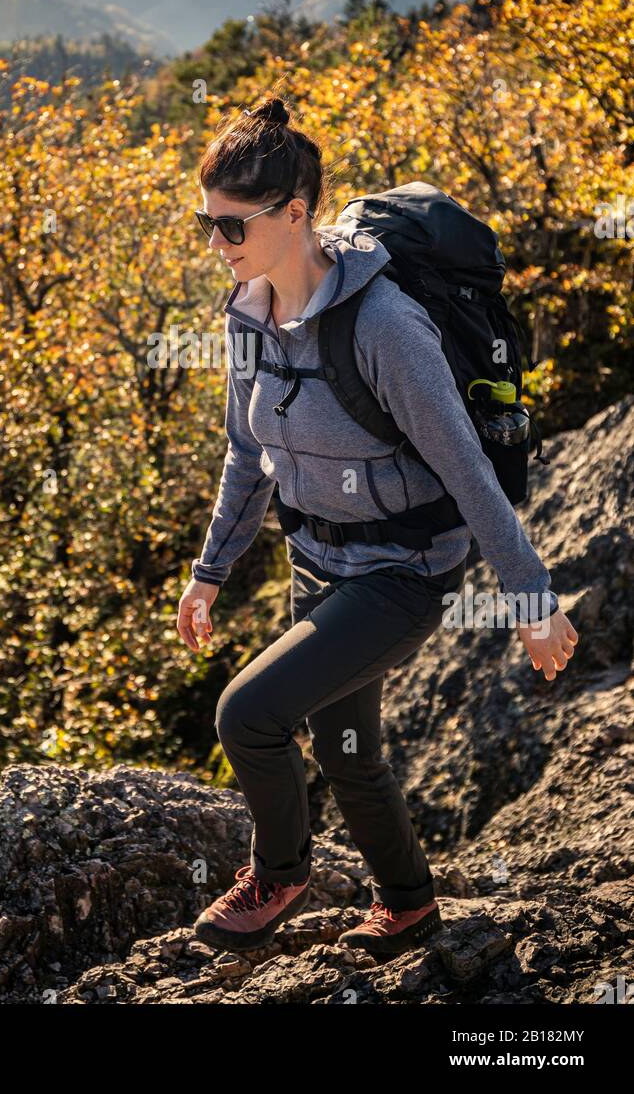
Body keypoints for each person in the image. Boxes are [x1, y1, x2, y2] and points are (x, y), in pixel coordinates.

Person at [177, 94, 578, 958]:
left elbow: (469, 469)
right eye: (205, 224)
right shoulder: (248, 317)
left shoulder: (385, 327)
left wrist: (532, 602)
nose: (217, 246)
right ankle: (410, 904)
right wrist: (211, 571)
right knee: (347, 747)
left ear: (294, 214)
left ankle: (280, 872)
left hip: (403, 573)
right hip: (316, 558)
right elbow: (248, 455)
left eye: (231, 227)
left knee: (247, 715)